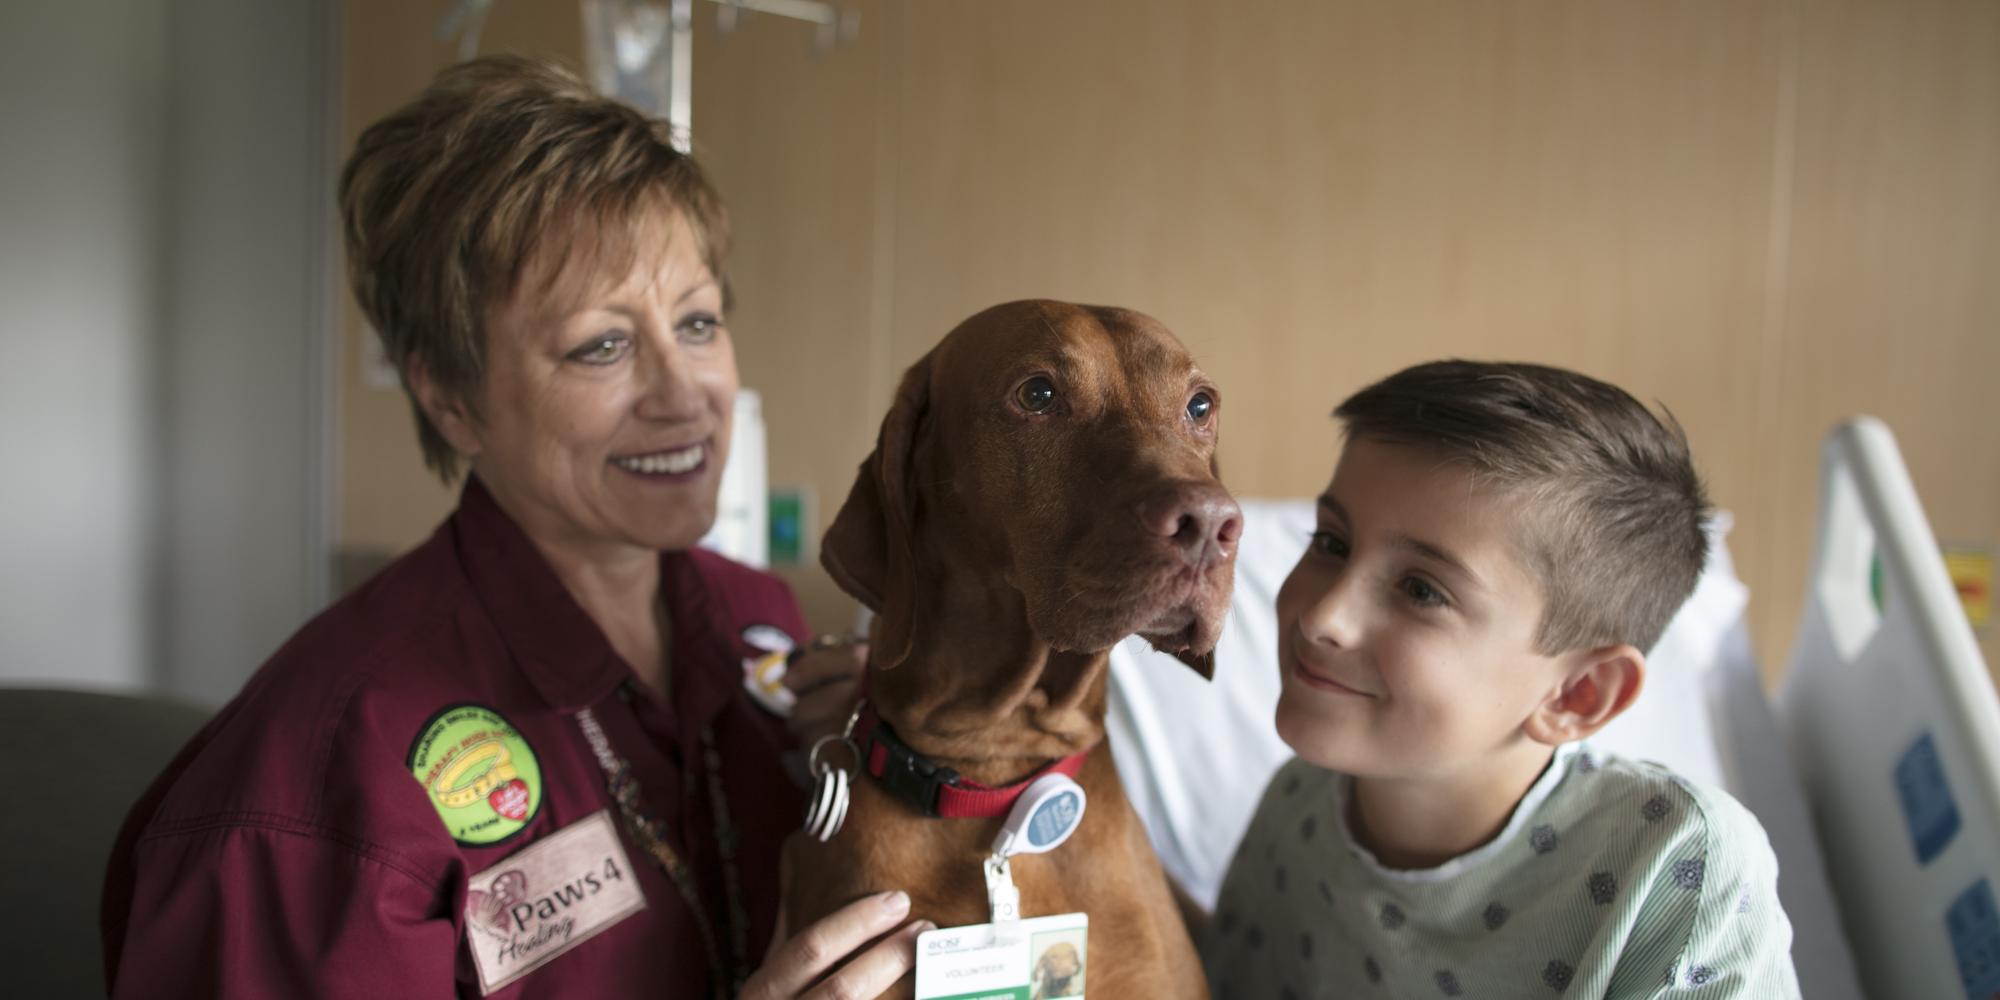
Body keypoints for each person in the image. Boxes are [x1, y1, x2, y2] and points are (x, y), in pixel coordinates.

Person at [100, 56, 925, 998]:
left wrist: (903, 756)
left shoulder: (756, 625)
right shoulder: (319, 789)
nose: (684, 393)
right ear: (450, 396)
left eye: (697, 324)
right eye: (601, 345)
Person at [1199, 361, 1801, 997]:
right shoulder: (1301, 809)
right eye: (1331, 543)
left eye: (1421, 590)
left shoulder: (1673, 868)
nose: (1325, 616)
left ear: (1578, 695)